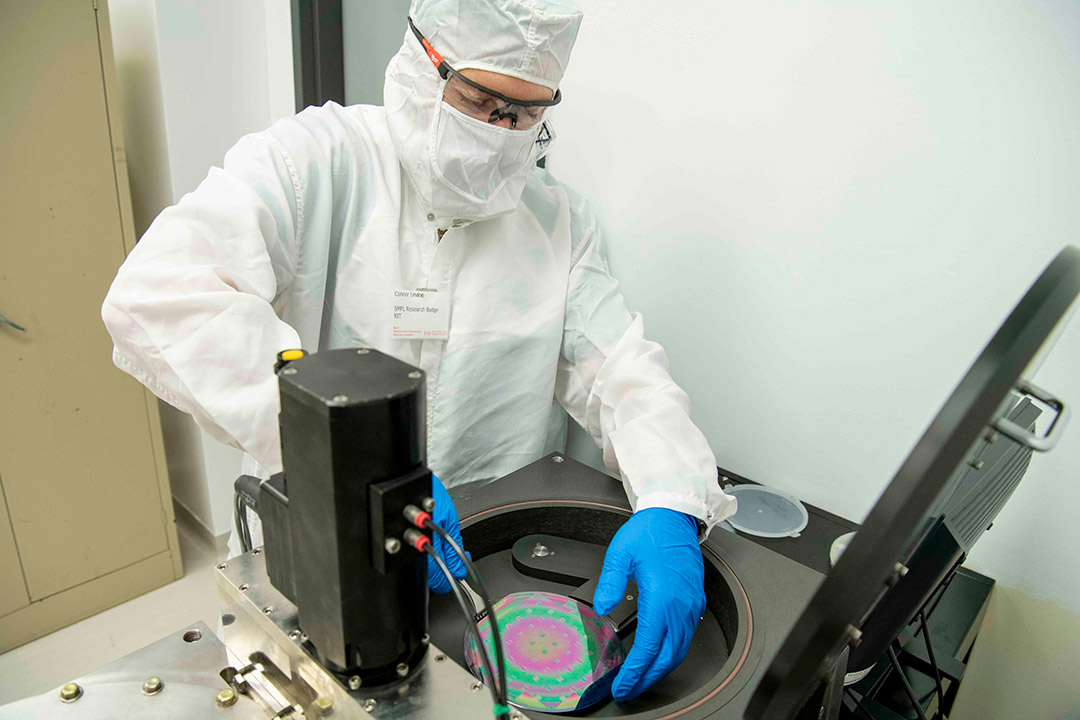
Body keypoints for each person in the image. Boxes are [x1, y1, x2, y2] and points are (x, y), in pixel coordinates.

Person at [101, 0, 736, 701]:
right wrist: (359, 463)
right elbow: (161, 293)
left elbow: (621, 369)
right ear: (421, 61)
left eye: (525, 114)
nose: (501, 133)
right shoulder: (316, 162)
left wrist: (673, 497)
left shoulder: (558, 223)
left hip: (479, 570)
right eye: (481, 99)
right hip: (322, 542)